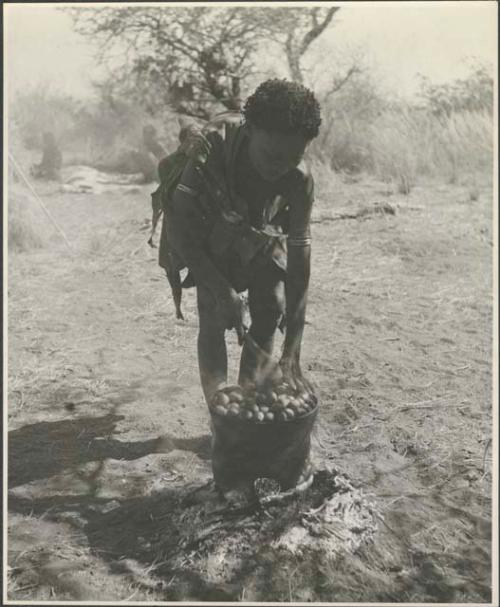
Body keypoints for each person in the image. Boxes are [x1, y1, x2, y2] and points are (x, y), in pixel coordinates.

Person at [162, 79, 321, 404]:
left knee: (271, 304)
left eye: (292, 157)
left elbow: (299, 259)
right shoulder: (209, 149)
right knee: (213, 311)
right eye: (272, 155)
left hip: (258, 234)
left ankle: (248, 397)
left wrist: (292, 349)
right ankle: (219, 404)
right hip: (206, 235)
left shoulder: (298, 179)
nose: (280, 168)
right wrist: (223, 291)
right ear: (249, 131)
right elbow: (179, 229)